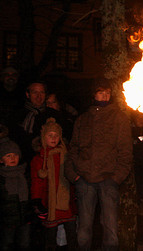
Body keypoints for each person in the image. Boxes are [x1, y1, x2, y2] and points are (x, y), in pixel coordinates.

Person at [64, 79, 133, 251]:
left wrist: (116, 178)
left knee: (111, 230)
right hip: (84, 178)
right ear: (93, 94)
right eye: (101, 91)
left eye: (108, 92)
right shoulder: (83, 119)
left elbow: (126, 151)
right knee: (84, 230)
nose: (105, 95)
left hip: (108, 178)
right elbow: (73, 148)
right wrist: (74, 175)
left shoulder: (119, 118)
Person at [30, 118, 77, 250]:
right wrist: (37, 200)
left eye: (56, 136)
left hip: (66, 201)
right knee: (50, 237)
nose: (53, 138)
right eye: (50, 135)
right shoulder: (39, 158)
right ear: (43, 137)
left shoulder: (66, 154)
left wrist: (76, 193)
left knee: (72, 234)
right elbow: (36, 181)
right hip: (49, 202)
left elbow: (71, 175)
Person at [0, 125, 31, 251]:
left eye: (15, 155)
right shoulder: (2, 177)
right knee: (7, 244)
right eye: (8, 156)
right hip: (7, 222)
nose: (12, 158)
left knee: (25, 244)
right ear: (1, 159)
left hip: (25, 220)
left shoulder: (24, 174)